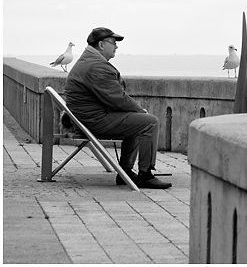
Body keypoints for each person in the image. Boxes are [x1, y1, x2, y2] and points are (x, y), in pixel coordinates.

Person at [65, 27, 171, 189]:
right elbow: (117, 99)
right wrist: (140, 110)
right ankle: (145, 174)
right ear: (101, 45)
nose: (116, 46)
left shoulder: (89, 62)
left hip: (87, 117)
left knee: (138, 121)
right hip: (95, 120)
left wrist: (135, 111)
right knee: (149, 122)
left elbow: (113, 98)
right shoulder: (96, 67)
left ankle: (125, 172)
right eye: (113, 43)